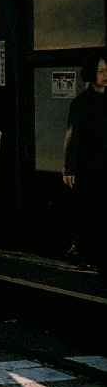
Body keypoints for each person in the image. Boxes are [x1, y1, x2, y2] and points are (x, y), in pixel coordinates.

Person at [63, 49, 107, 273]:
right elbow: (73, 136)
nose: (105, 76)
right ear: (91, 74)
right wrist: (69, 168)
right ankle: (84, 251)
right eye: (100, 71)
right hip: (88, 167)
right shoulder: (81, 103)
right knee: (90, 212)